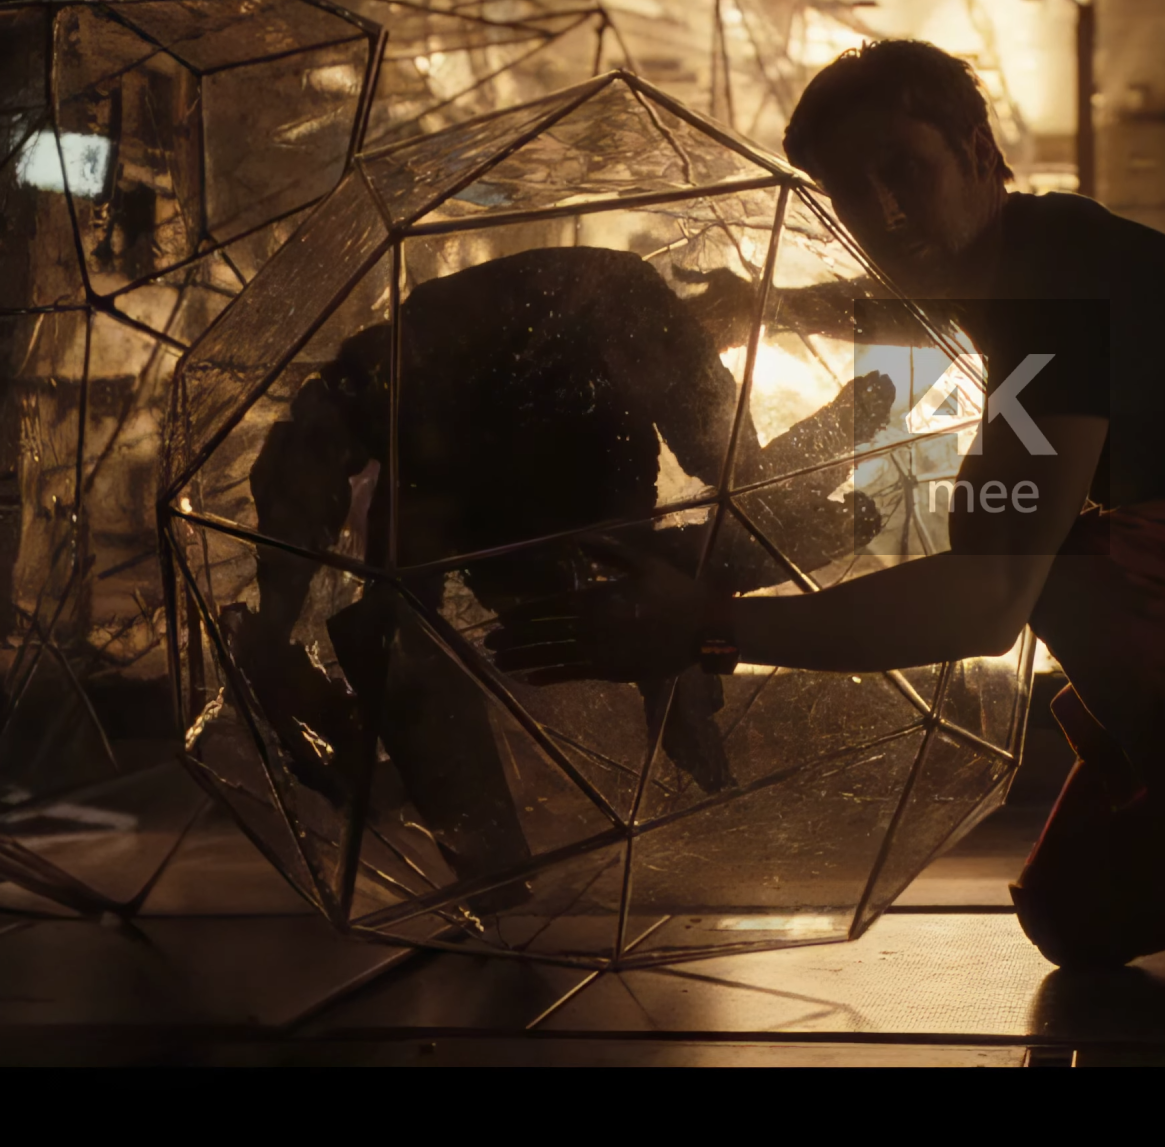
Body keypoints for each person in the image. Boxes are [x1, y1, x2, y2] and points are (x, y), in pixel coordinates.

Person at [561, 41, 1165, 1038]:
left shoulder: (1059, 287)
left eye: (903, 170)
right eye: (848, 192)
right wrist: (770, 314)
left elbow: (990, 596)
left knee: (1071, 571)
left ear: (979, 151)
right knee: (1074, 914)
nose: (882, 214)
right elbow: (903, 390)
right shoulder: (996, 285)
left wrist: (712, 626)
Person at [230, 245, 891, 901]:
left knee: (714, 495)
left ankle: (770, 539)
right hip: (545, 417)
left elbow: (382, 556)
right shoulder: (400, 414)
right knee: (688, 517)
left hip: (574, 383)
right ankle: (773, 538)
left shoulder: (411, 404)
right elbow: (387, 565)